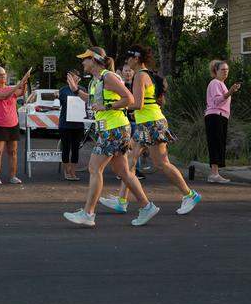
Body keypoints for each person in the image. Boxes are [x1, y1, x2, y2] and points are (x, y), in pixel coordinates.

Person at [100, 45, 202, 215]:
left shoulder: (140, 75)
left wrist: (114, 107)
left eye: (129, 58)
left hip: (151, 123)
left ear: (136, 59)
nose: (127, 61)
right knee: (130, 162)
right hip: (146, 123)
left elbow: (137, 104)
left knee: (161, 163)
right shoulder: (145, 74)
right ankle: (121, 201)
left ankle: (190, 194)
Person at [63, 46, 159, 227]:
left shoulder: (109, 77)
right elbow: (93, 102)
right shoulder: (95, 80)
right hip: (112, 129)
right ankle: (147, 207)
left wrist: (107, 107)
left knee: (94, 168)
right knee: (123, 172)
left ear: (95, 60)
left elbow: (129, 99)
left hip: (114, 129)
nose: (83, 62)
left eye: (86, 59)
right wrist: (76, 91)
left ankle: (88, 213)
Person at [0, 66, 30, 185]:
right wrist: (19, 84)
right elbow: (6, 95)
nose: (3, 76)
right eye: (0, 74)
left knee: (13, 152)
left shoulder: (11, 89)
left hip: (13, 123)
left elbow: (22, 92)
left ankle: (13, 176)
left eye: (4, 74)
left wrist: (25, 82)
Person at [205, 60, 241, 183]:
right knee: (216, 144)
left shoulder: (221, 84)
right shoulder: (215, 83)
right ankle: (214, 174)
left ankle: (215, 173)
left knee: (218, 143)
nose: (225, 72)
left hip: (220, 116)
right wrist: (230, 92)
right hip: (215, 116)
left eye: (227, 70)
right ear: (216, 71)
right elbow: (216, 101)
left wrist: (230, 91)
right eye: (222, 70)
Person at [58, 69, 85, 181]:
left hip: (78, 125)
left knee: (75, 149)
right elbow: (66, 102)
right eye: (68, 76)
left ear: (78, 78)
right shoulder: (63, 90)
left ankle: (73, 172)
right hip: (65, 124)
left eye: (73, 76)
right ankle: (66, 171)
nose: (70, 78)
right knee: (65, 148)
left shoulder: (83, 90)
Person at [120, 63, 145, 180]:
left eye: (130, 71)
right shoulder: (120, 85)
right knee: (125, 146)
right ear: (122, 72)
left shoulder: (137, 84)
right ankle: (123, 170)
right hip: (124, 120)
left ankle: (136, 170)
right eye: (126, 71)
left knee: (135, 147)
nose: (128, 73)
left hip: (136, 120)